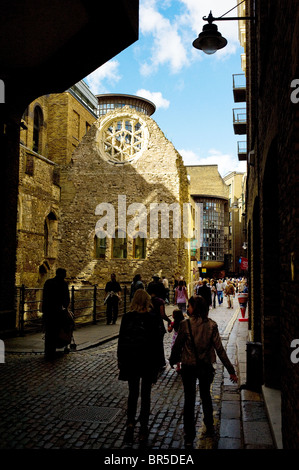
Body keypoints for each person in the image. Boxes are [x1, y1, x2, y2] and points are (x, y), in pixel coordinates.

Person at [169, 295, 238, 448]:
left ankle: (189, 434)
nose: (188, 308)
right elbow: (220, 350)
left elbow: (177, 346)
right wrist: (231, 370)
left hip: (188, 367)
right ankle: (209, 425)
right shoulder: (211, 325)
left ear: (196, 308)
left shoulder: (184, 325)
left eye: (190, 306)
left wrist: (172, 360)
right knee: (206, 396)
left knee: (189, 399)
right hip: (205, 366)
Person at [117, 290, 161, 444]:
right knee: (146, 395)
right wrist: (158, 364)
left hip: (131, 360)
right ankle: (143, 427)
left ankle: (130, 424)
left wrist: (120, 360)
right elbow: (157, 344)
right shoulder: (153, 318)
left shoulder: (127, 317)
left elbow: (121, 340)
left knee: (133, 393)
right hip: (147, 361)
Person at [42, 268, 71, 359]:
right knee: (56, 330)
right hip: (57, 310)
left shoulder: (48, 282)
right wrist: (65, 307)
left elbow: (45, 296)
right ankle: (53, 349)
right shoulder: (63, 284)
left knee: (49, 331)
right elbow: (66, 299)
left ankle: (48, 351)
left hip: (48, 310)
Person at [149, 283, 172, 370]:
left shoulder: (148, 301)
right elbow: (162, 315)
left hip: (149, 325)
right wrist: (169, 320)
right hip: (158, 324)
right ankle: (160, 362)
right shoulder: (160, 301)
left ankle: (152, 361)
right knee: (159, 344)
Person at [168, 309, 185, 373]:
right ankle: (183, 365)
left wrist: (168, 325)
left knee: (177, 351)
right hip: (182, 338)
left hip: (176, 338)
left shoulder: (173, 323)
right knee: (182, 351)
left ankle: (178, 367)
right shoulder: (183, 322)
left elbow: (169, 330)